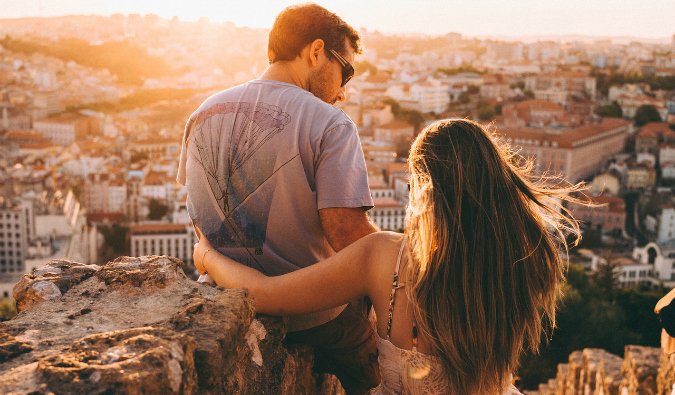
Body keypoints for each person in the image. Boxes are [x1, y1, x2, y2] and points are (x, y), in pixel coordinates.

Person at [193, 119, 584, 395]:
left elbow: (265, 295)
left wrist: (208, 255)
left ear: (423, 188)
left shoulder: (384, 257)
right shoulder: (529, 259)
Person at [177, 4, 379, 394]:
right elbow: (348, 237)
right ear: (315, 51)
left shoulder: (201, 113)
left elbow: (199, 212)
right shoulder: (330, 124)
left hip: (223, 296)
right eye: (346, 72)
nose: (341, 91)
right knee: (384, 370)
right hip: (314, 317)